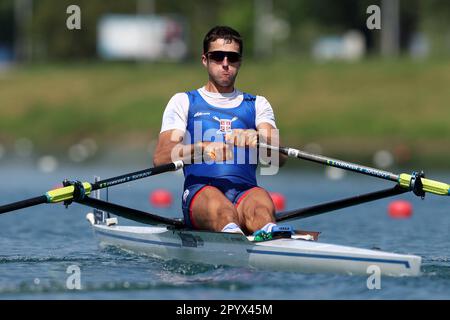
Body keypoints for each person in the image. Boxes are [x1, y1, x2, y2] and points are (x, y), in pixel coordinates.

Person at [153, 26, 287, 236]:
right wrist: (202, 149)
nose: (225, 64)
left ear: (239, 62)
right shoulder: (183, 101)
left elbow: (278, 158)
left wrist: (259, 139)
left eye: (232, 58)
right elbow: (161, 158)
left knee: (262, 211)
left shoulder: (258, 104)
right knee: (224, 212)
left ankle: (271, 236)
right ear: (205, 60)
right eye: (217, 56)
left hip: (246, 192)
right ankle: (232, 233)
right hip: (200, 193)